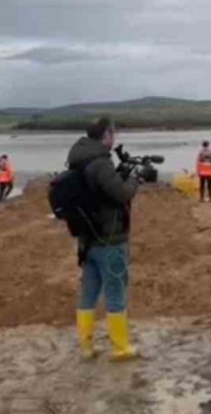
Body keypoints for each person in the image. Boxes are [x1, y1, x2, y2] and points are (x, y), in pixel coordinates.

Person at [69, 117, 141, 362]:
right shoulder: (100, 163)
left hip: (86, 241)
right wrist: (134, 180)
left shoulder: (78, 159)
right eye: (114, 133)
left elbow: (99, 191)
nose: (115, 138)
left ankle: (86, 347)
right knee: (115, 292)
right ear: (106, 135)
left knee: (88, 293)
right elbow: (121, 194)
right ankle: (121, 348)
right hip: (109, 239)